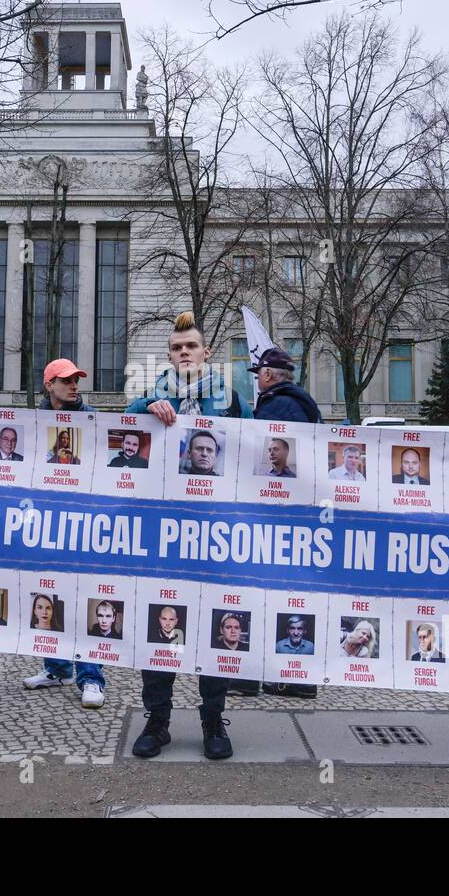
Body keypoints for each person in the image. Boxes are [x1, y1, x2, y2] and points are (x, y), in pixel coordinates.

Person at [129, 312, 250, 760]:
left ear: (206, 352)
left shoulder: (231, 399)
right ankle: (157, 722)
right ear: (169, 355)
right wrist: (145, 411)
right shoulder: (149, 398)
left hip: (216, 532)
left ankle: (213, 722)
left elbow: (252, 452)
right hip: (164, 534)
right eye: (177, 348)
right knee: (160, 624)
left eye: (191, 347)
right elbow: (120, 433)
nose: (184, 353)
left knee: (214, 625)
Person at [22, 358, 107, 709]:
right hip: (47, 525)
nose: (74, 386)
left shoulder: (94, 420)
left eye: (76, 380)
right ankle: (57, 668)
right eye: (66, 380)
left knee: (85, 596)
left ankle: (92, 678)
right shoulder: (34, 423)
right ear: (49, 385)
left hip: (84, 523)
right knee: (49, 592)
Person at [248, 347, 321, 695]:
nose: (256, 381)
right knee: (295, 592)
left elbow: (259, 458)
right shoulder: (304, 402)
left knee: (271, 591)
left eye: (258, 374)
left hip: (275, 513)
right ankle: (298, 676)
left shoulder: (277, 405)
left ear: (268, 374)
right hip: (300, 514)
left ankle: (277, 676)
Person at [249, 346, 322, 422]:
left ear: (268, 375)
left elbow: (259, 432)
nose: (258, 379)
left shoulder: (274, 406)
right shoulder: (304, 400)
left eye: (258, 375)